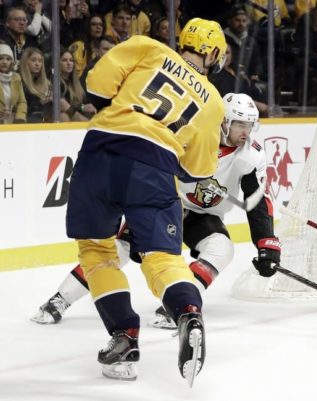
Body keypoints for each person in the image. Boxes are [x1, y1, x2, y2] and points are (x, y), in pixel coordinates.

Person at [63, 18, 227, 384]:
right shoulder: (213, 101)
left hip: (102, 151)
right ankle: (187, 312)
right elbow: (196, 169)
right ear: (213, 53)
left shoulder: (148, 48)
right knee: (163, 258)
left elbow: (96, 85)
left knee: (96, 250)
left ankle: (124, 335)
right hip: (154, 169)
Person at [32, 93, 280, 330]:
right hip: (165, 204)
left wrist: (266, 242)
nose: (245, 132)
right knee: (121, 249)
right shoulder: (193, 135)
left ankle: (178, 307)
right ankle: (59, 299)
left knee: (222, 249)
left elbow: (258, 201)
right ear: (224, 121)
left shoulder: (253, 156)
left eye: (250, 125)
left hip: (203, 216)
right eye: (239, 124)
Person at [18, 46, 51, 123]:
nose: (37, 64)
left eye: (40, 61)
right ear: (25, 62)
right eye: (33, 60)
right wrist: (41, 102)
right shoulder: (19, 80)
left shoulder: (47, 83)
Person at [0, 43, 27, 123]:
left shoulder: (16, 78)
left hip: (12, 121)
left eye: (8, 59)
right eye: (1, 58)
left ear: (12, 62)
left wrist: (19, 117)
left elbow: (22, 102)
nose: (4, 62)